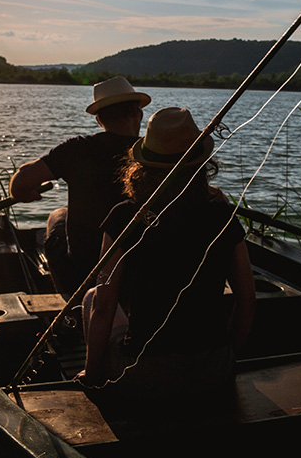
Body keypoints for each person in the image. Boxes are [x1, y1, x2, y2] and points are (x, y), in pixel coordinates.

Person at [78, 107, 256, 403]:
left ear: (144, 166)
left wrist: (92, 376)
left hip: (147, 378)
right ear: (200, 164)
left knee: (90, 298)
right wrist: (228, 359)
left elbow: (105, 303)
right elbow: (247, 299)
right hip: (215, 373)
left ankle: (99, 381)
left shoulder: (126, 218)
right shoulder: (222, 215)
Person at [9, 76, 150, 297]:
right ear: (137, 113)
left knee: (57, 215)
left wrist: (29, 194)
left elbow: (20, 184)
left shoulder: (77, 149)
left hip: (84, 272)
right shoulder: (154, 156)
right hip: (141, 270)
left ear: (99, 120)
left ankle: (70, 300)